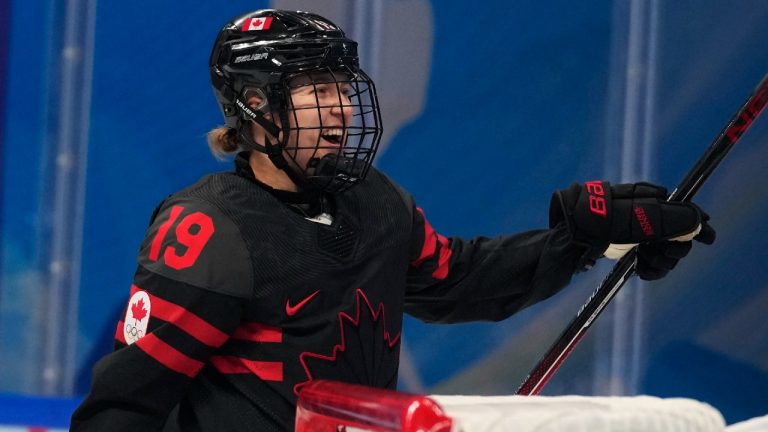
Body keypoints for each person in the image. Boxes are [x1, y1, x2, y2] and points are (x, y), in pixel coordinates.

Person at [70, 9, 715, 432]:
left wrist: (579, 242)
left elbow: (459, 280)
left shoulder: (375, 200)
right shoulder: (209, 228)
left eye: (342, 91)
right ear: (256, 105)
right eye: (317, 92)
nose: (341, 111)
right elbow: (127, 403)